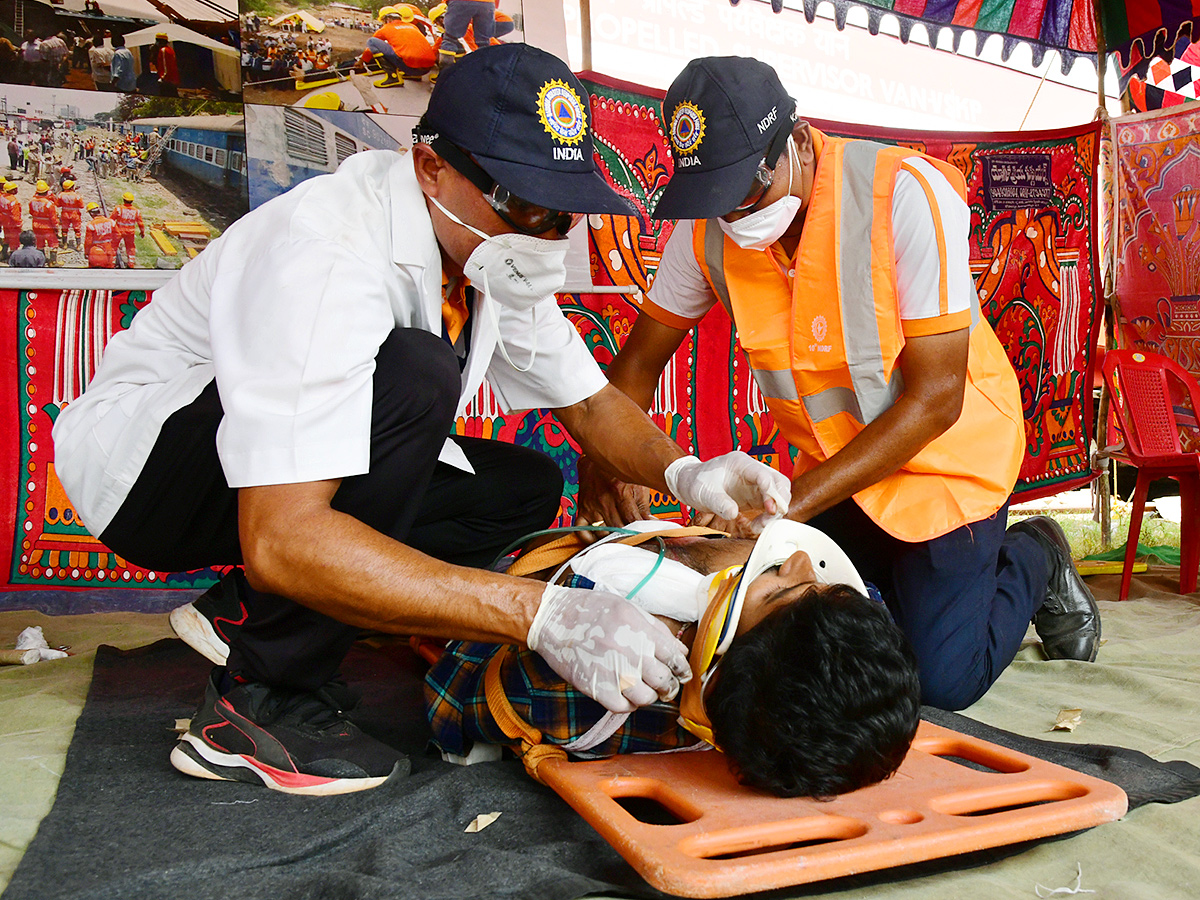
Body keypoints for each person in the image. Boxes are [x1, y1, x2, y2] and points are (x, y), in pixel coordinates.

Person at [52, 45, 789, 797]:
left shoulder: (491, 249)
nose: (547, 234)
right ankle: (258, 707)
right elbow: (281, 537)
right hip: (146, 475)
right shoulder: (325, 254)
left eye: (563, 210)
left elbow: (591, 401)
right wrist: (544, 616)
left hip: (249, 474)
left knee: (520, 489)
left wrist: (687, 473)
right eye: (526, 203)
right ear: (431, 165)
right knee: (415, 376)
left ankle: (247, 617)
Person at [578, 56, 1101, 713]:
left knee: (939, 683)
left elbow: (936, 401)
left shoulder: (904, 195)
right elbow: (635, 366)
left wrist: (789, 504)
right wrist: (605, 457)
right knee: (817, 644)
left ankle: (1034, 554)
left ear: (795, 143)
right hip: (835, 473)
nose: (733, 217)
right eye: (715, 197)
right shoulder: (709, 228)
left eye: (746, 192)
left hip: (945, 466)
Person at [425, 518, 920, 798]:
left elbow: (447, 700)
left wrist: (543, 618)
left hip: (498, 577)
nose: (798, 560)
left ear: (716, 659)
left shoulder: (581, 679)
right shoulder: (781, 726)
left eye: (777, 588)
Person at [364, 6, 435, 88]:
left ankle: (393, 77)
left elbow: (371, 47)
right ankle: (413, 76)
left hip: (410, 68)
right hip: (427, 68)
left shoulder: (386, 28)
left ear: (387, 19)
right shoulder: (413, 27)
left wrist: (363, 60)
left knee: (372, 41)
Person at [111, 191, 143, 264]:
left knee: (113, 246)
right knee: (130, 247)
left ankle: (111, 262)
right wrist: (142, 232)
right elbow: (140, 223)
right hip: (130, 232)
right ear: (132, 201)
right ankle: (131, 263)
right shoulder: (136, 211)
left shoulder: (118, 208)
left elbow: (111, 219)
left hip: (119, 231)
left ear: (123, 200)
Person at [82, 201, 118, 267]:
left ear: (91, 213)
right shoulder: (111, 222)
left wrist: (87, 253)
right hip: (109, 248)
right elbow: (117, 235)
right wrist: (113, 247)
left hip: (96, 249)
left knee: (94, 267)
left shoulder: (91, 225)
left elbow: (88, 241)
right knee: (109, 267)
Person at [28, 180, 58, 253]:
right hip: (47, 226)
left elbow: (31, 212)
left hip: (36, 224)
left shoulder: (32, 201)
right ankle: (53, 262)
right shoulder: (48, 204)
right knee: (53, 243)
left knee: (39, 243)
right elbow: (53, 217)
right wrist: (56, 227)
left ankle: (41, 259)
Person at [57, 180, 84, 249]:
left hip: (65, 213)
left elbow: (58, 205)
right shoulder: (77, 196)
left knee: (64, 229)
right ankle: (78, 245)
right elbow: (82, 206)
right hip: (75, 214)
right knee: (77, 229)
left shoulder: (61, 195)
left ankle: (65, 244)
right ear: (72, 187)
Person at [0, 182, 21, 259]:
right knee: (14, 240)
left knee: (7, 237)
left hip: (4, 220)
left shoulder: (2, 197)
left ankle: (3, 254)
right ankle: (12, 258)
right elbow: (15, 215)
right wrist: (19, 224)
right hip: (12, 222)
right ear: (11, 190)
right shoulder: (13, 201)